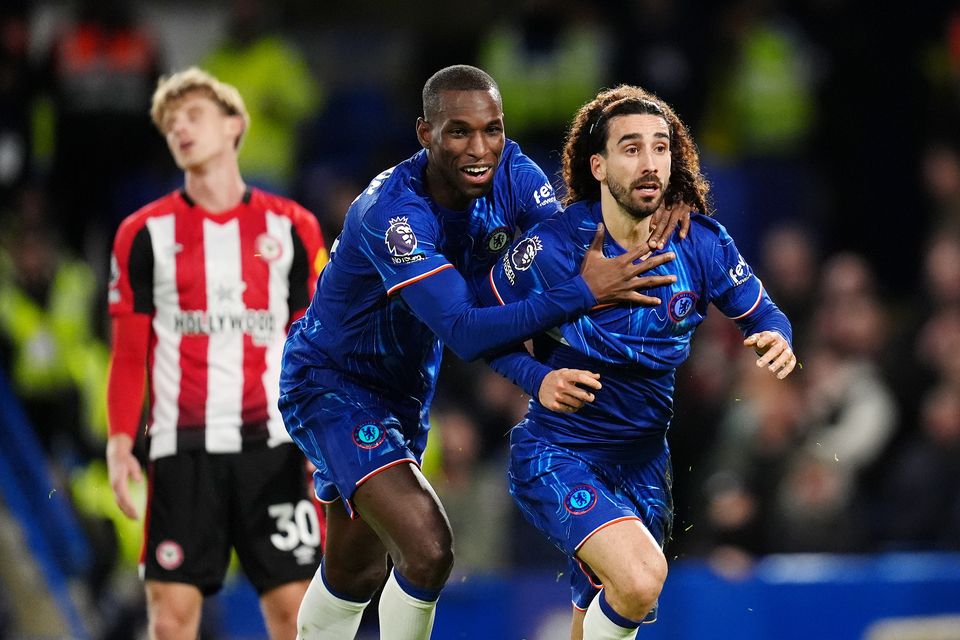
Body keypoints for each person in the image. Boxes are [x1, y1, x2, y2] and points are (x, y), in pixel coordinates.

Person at [278, 65, 688, 640]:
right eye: (459, 132)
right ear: (425, 134)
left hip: (405, 390)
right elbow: (466, 330)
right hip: (333, 386)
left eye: (492, 130)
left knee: (356, 567)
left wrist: (659, 211)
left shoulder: (514, 172)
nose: (480, 149)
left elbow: (562, 251)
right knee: (427, 549)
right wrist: (586, 291)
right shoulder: (392, 216)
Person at [478, 84, 797, 640]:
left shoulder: (699, 244)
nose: (650, 163)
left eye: (660, 147)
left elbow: (765, 314)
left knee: (607, 609)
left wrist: (776, 336)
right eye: (631, 149)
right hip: (560, 454)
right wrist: (537, 376)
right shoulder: (553, 247)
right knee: (644, 577)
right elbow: (478, 326)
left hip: (646, 467)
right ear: (598, 166)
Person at [105, 67, 326, 639]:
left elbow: (314, 341)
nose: (180, 128)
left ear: (235, 125)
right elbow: (130, 353)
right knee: (172, 620)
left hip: (275, 449)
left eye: (193, 115)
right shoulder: (142, 233)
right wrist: (120, 440)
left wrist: (323, 432)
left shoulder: (293, 226)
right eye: (170, 122)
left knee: (295, 616)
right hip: (183, 451)